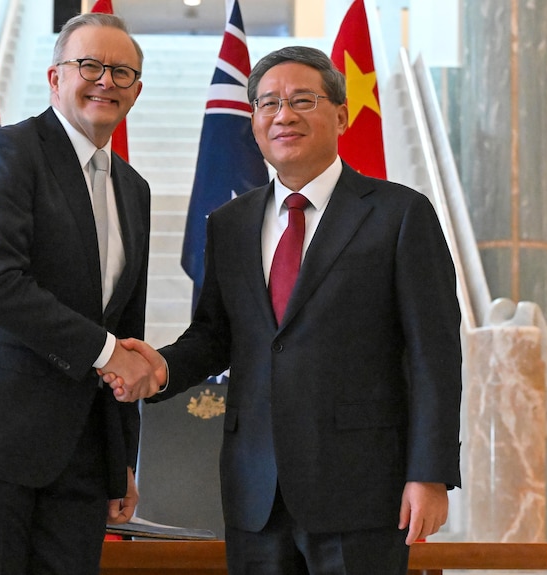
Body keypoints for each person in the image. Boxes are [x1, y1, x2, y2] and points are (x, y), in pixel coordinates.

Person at [105, 46, 462, 574]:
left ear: (341, 116)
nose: (283, 115)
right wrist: (161, 369)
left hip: (362, 490)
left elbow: (435, 354)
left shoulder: (399, 214)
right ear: (253, 121)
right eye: (268, 103)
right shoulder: (229, 222)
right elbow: (215, 336)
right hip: (256, 491)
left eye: (302, 100)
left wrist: (429, 473)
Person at [0, 13, 161, 575]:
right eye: (89, 65)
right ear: (55, 78)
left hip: (82, 454)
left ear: (137, 91)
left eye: (122, 72)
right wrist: (105, 353)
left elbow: (126, 328)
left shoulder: (134, 189)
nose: (106, 80)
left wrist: (121, 458)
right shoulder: (8, 151)